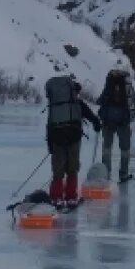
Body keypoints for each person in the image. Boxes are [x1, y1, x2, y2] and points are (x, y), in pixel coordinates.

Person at [44, 75, 101, 207]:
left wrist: (50, 145)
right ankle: (70, 197)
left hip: (57, 137)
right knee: (72, 168)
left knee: (58, 170)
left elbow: (50, 125)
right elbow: (92, 117)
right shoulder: (77, 103)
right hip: (74, 136)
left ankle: (55, 198)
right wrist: (97, 124)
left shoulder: (55, 105)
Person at [96, 69, 135, 183]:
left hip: (108, 122)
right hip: (123, 122)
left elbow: (100, 100)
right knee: (125, 149)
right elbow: (134, 101)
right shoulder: (127, 88)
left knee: (107, 148)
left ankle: (106, 173)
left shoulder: (109, 86)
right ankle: (123, 174)